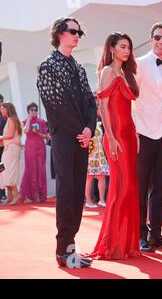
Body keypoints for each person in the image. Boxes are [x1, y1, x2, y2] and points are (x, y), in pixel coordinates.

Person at [37, 17, 97, 268]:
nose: (78, 35)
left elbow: (90, 103)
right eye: (73, 31)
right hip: (64, 137)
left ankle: (71, 246)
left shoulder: (79, 68)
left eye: (79, 32)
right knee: (66, 191)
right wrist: (79, 131)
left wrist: (89, 129)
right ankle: (64, 250)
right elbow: (55, 105)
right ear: (60, 33)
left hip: (81, 137)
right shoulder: (47, 66)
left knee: (77, 196)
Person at [90, 32, 141, 260]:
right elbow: (103, 107)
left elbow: (129, 109)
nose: (127, 50)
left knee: (130, 188)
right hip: (116, 135)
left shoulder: (126, 73)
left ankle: (128, 243)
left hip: (129, 134)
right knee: (121, 186)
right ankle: (113, 244)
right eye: (122, 46)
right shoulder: (108, 71)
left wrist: (136, 134)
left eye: (128, 47)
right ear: (112, 48)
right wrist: (110, 137)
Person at [133, 22, 162, 252]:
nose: (161, 42)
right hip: (143, 133)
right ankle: (140, 234)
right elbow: (131, 99)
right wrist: (133, 131)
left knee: (160, 188)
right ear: (151, 39)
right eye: (157, 38)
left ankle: (156, 234)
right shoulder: (139, 64)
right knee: (141, 188)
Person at [20, 102, 49, 203]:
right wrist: (29, 119)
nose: (34, 112)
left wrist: (39, 133)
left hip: (40, 147)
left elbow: (47, 136)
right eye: (31, 110)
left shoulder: (42, 121)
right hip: (29, 148)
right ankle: (29, 195)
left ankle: (39, 194)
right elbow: (25, 131)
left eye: (35, 110)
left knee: (40, 169)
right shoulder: (24, 121)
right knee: (30, 169)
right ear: (28, 111)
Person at [85, 96, 109, 208]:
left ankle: (102, 200)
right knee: (89, 177)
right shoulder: (87, 117)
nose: (97, 102)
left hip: (101, 153)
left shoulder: (102, 116)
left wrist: (101, 107)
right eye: (96, 100)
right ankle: (88, 200)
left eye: (98, 100)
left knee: (102, 176)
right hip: (90, 153)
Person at [0, 102, 22, 205]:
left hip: (12, 149)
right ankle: (9, 196)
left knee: (10, 171)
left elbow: (10, 135)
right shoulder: (9, 120)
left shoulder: (12, 120)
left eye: (2, 109)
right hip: (8, 149)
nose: (1, 111)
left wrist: (0, 137)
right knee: (3, 170)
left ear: (7, 109)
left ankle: (16, 194)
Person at [0, 94, 6, 202]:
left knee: (3, 169)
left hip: (4, 145)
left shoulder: (5, 115)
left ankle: (3, 193)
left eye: (1, 100)